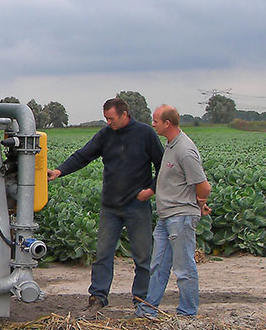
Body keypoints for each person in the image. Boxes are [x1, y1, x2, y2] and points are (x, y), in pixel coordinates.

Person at [47, 97, 163, 313]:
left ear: (124, 115)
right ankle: (98, 298)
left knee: (143, 256)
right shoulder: (105, 134)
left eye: (111, 118)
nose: (108, 122)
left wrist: (151, 190)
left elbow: (162, 165)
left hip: (137, 206)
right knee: (103, 254)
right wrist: (60, 171)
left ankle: (142, 300)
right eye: (106, 119)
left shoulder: (145, 134)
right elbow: (84, 155)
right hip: (110, 207)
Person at [136, 105, 211, 318]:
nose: (153, 124)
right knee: (158, 265)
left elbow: (203, 186)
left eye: (155, 121)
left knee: (184, 268)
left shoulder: (185, 150)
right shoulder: (171, 145)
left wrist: (199, 202)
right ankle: (148, 310)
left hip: (180, 218)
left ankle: (187, 314)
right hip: (166, 216)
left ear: (167, 123)